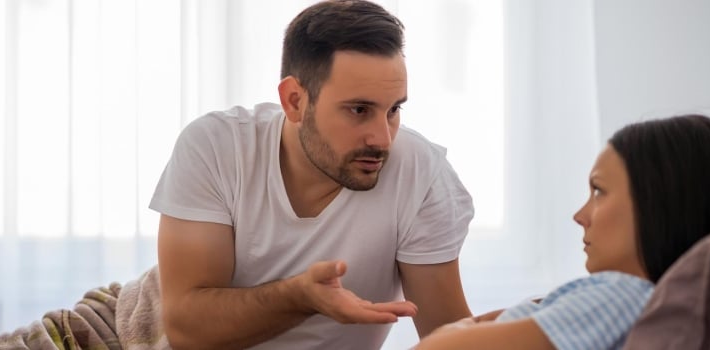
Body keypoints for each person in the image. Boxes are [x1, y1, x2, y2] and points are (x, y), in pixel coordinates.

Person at [149, 1, 474, 349]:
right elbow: (186, 330)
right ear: (294, 101)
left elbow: (449, 336)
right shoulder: (216, 147)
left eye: (394, 109)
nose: (382, 140)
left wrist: (520, 326)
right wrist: (298, 298)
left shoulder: (422, 175)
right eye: (359, 110)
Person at [413, 114, 710, 350]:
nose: (580, 216)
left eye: (598, 191)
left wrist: (461, 328)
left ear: (658, 204)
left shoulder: (619, 296)